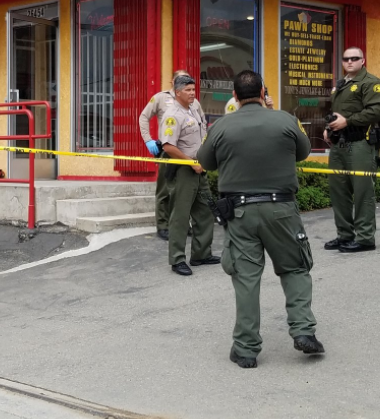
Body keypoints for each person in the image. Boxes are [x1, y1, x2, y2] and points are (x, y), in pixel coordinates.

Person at [197, 70, 323, 369]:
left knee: (246, 279)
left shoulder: (221, 126)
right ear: (263, 92)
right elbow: (303, 153)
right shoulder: (285, 120)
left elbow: (204, 162)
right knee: (294, 269)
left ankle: (245, 348)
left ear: (235, 97)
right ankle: (303, 330)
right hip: (281, 210)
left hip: (239, 213)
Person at [323, 47, 380, 254]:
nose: (350, 62)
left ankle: (366, 238)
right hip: (340, 144)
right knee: (338, 192)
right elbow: (336, 113)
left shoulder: (371, 83)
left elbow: (376, 111)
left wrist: (347, 122)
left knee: (362, 192)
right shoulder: (341, 85)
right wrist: (328, 128)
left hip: (361, 143)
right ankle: (345, 235)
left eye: (354, 58)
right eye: (346, 59)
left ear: (362, 60)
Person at [158, 74, 218, 276]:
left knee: (205, 212)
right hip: (184, 170)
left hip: (200, 169)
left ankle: (201, 254)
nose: (193, 93)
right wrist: (191, 163)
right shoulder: (173, 115)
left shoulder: (192, 109)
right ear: (177, 92)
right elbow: (168, 146)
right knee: (181, 216)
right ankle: (177, 259)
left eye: (193, 89)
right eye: (188, 90)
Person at [138, 70, 206, 240]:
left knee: (185, 191)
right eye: (180, 80)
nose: (188, 89)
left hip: (189, 152)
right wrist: (148, 140)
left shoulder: (194, 102)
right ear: (173, 82)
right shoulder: (160, 98)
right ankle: (162, 225)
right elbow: (143, 117)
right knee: (165, 190)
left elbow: (202, 122)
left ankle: (184, 223)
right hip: (169, 149)